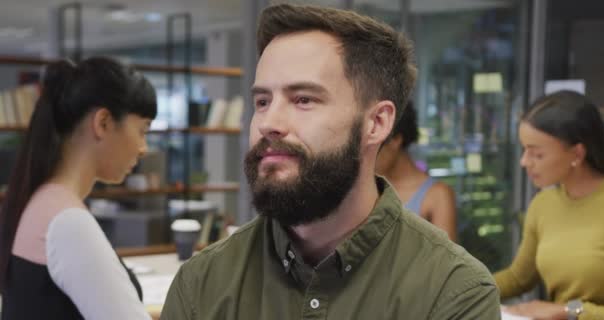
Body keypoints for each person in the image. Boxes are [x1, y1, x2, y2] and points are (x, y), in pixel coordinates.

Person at [161, 4, 499, 319]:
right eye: (262, 101)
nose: (268, 123)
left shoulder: (452, 292)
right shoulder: (202, 284)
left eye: (303, 99)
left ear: (377, 123)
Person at [0, 57, 157, 320]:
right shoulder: (67, 223)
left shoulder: (38, 202)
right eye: (142, 130)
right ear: (103, 123)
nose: (144, 148)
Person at [495, 90, 604, 320]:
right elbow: (519, 278)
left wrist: (568, 312)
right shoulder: (543, 204)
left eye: (536, 154)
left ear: (577, 153)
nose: (524, 162)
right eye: (524, 150)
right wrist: (459, 290)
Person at [376, 101, 458, 241]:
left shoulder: (438, 195)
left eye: (375, 148)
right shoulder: (370, 187)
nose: (367, 157)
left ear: (395, 140)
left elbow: (445, 261)